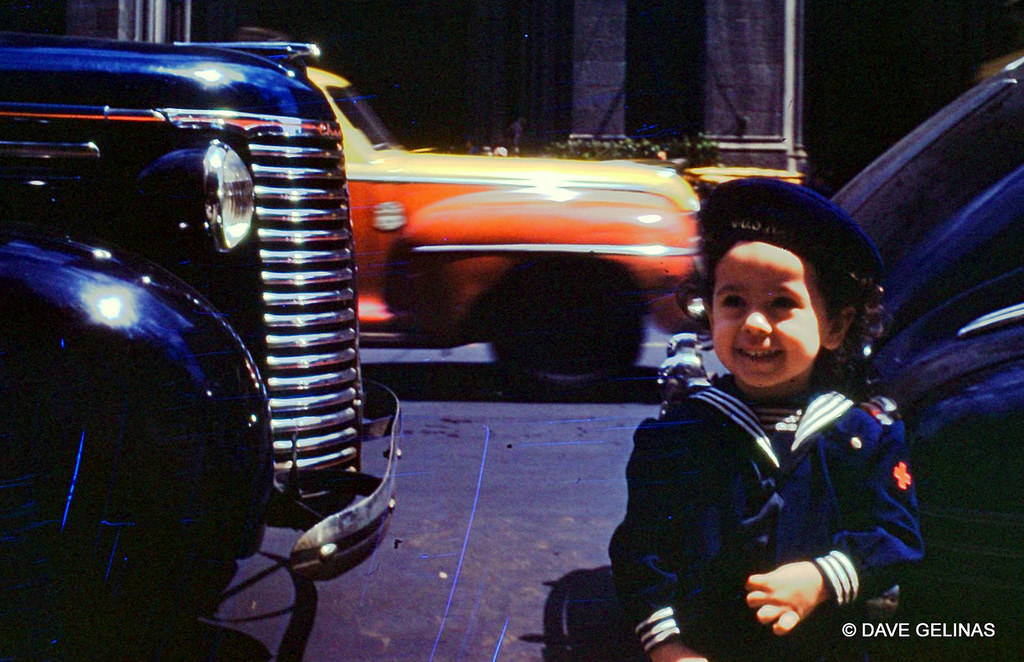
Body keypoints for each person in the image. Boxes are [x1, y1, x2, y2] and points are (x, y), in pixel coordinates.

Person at [609, 178, 924, 662]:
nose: (754, 324)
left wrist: (821, 578)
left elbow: (896, 538)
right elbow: (641, 551)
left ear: (834, 327)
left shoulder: (863, 434)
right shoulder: (678, 435)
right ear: (709, 311)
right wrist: (668, 645)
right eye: (733, 301)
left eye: (782, 304)